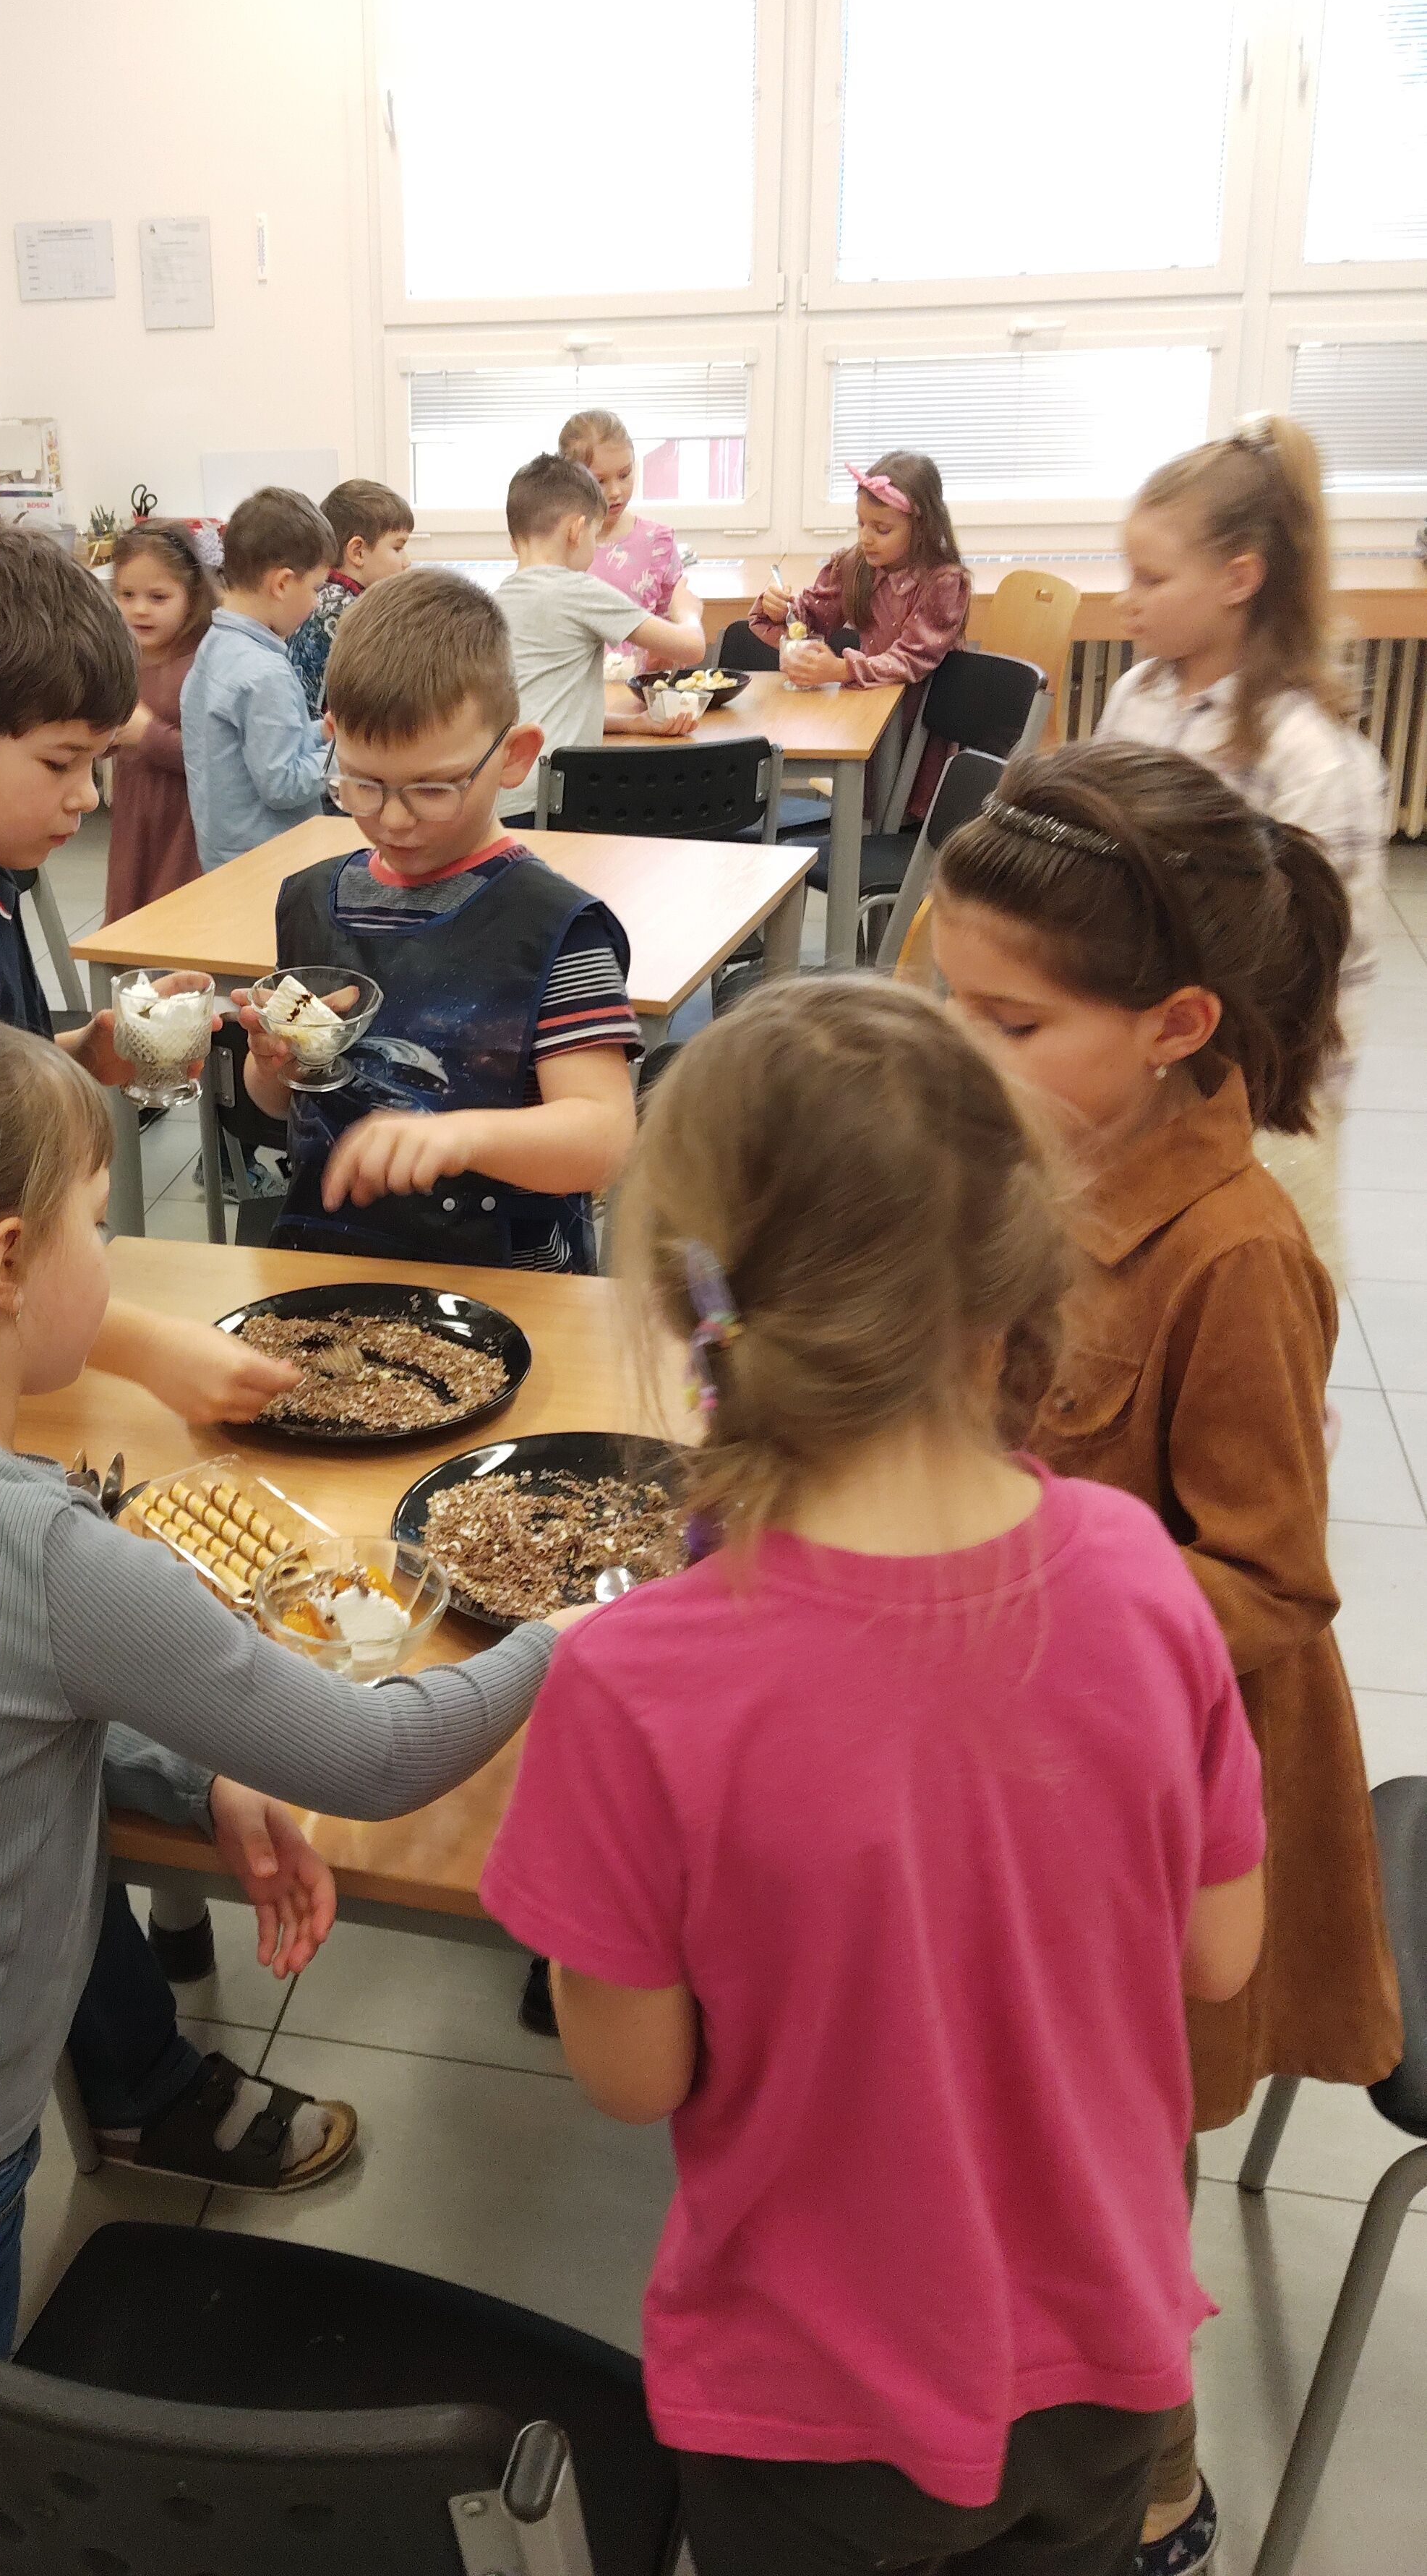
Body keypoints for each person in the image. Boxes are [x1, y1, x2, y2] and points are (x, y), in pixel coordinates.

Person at [0, 1006, 567, 2576]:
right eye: (99, 1223)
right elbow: (375, 1757)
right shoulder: (51, 1558)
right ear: (6, 1264)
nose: (114, 1257)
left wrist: (198, 1770)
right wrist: (562, 1637)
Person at [482, 978, 1267, 2576]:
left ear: (698, 1303)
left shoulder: (632, 1683)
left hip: (814, 2409)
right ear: (1015, 1269)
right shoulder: (1139, 1568)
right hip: (1110, 2359)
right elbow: (1220, 1953)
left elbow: (635, 2079)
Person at [0, 519, 343, 2198]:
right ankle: (140, 2082)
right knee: (47, 1712)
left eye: (103, 759)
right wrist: (160, 1347)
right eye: (65, 764)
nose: (90, 799)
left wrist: (84, 1047)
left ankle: (154, 1938)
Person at [933, 743, 1402, 2576]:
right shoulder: (1028, 1154)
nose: (960, 1049)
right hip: (1009, 1756)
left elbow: (1274, 1580)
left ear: (1175, 1026)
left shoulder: (1235, 1252)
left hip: (1154, 1799)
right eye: (949, 1002)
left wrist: (1018, 1590)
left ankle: (1152, 2488)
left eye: (1008, 1022)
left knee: (1111, 2170)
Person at [237, 570, 638, 1274]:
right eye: (362, 783)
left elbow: (604, 1138)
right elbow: (276, 1103)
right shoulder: (310, 901)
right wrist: (275, 1065)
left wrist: (458, 1139)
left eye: (432, 788)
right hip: (332, 1275)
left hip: (508, 1294)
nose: (393, 818)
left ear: (514, 757)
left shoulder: (556, 930)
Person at [1096, 415, 1386, 1278]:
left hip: (1255, 1094)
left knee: (1242, 1294)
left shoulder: (1312, 760)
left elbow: (1311, 976)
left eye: (1152, 578)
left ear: (1238, 579)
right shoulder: (1137, 697)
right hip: (1147, 1062)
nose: (1126, 599)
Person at [753, 450, 970, 818]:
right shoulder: (856, 565)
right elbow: (810, 619)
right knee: (861, 810)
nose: (866, 538)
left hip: (917, 728)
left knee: (894, 815)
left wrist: (842, 669)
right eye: (861, 524)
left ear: (922, 526)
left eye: (882, 529)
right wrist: (781, 609)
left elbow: (910, 659)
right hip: (867, 714)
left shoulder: (944, 582)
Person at [495, 453, 707, 820]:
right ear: (577, 531)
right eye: (595, 536)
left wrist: (634, 724)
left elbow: (545, 707)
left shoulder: (498, 600)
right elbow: (692, 648)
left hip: (503, 799)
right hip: (554, 799)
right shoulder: (580, 591)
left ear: (514, 541)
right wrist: (688, 611)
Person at [181, 486, 336, 867]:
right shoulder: (264, 673)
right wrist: (347, 754)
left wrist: (321, 733)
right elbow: (283, 784)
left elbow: (257, 747)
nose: (317, 602)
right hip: (271, 863)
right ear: (282, 584)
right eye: (315, 588)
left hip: (225, 856)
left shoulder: (216, 645)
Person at [103, 518, 213, 919]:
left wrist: (148, 735)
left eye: (158, 597)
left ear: (192, 596)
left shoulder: (206, 663)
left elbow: (219, 759)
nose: (140, 609)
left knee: (174, 921)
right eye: (127, 595)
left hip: (185, 827)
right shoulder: (122, 659)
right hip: (136, 821)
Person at [560, 406, 693, 649]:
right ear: (570, 480)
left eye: (624, 475)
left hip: (639, 674)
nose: (615, 492)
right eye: (600, 481)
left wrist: (663, 655)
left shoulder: (657, 543)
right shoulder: (557, 544)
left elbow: (673, 626)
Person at [286, 477, 415, 714]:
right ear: (358, 552)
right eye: (398, 548)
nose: (407, 561)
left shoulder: (322, 593)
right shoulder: (344, 611)